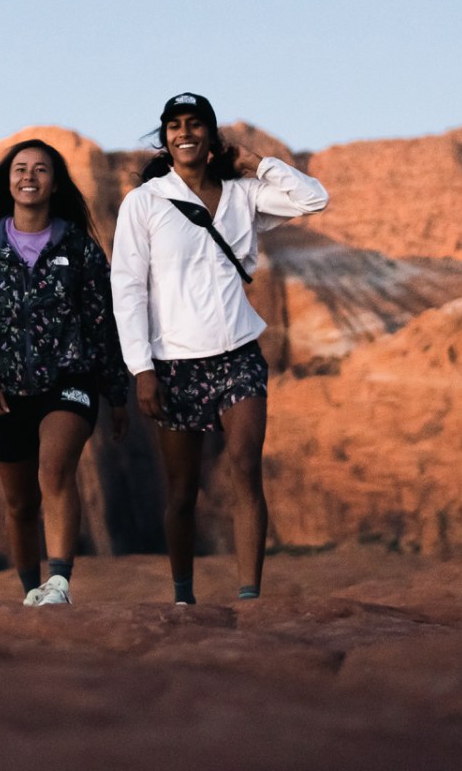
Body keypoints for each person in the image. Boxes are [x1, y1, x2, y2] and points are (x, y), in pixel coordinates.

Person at [111, 93, 328, 605]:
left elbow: (312, 199)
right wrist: (141, 368)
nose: (184, 133)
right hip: (174, 361)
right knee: (183, 491)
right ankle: (183, 597)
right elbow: (127, 286)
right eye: (174, 126)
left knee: (246, 468)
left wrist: (254, 162)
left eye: (195, 124)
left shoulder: (243, 196)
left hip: (238, 353)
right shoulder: (145, 202)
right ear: (165, 138)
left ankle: (249, 596)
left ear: (211, 135)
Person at [0, 139, 129, 606]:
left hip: (70, 379)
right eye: (20, 168)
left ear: (55, 183)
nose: (29, 176)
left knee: (55, 468)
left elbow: (101, 322)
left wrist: (116, 392)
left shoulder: (81, 250)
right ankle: (32, 592)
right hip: (4, 391)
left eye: (41, 169)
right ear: (8, 181)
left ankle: (60, 583)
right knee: (20, 503)